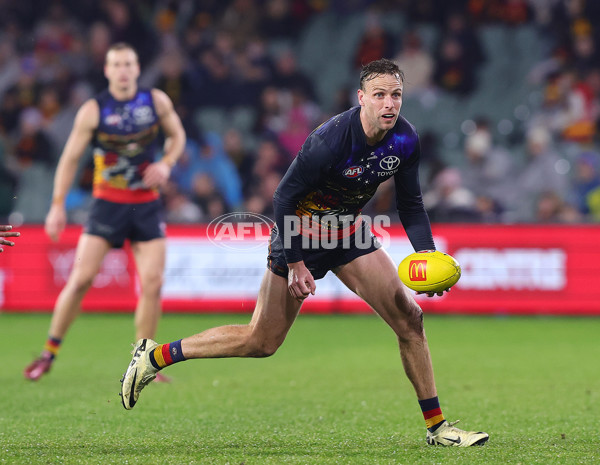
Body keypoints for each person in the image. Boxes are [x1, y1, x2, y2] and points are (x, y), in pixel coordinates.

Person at [119, 59, 489, 447]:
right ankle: (155, 356)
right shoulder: (329, 141)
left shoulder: (405, 140)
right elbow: (284, 197)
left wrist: (428, 256)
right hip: (298, 234)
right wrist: (295, 262)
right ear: (361, 98)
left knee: (410, 320)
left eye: (395, 95)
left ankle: (438, 428)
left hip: (348, 234)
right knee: (261, 342)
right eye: (379, 95)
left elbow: (411, 204)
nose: (389, 104)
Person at [24, 43, 186, 381]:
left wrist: (167, 163)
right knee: (81, 278)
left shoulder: (155, 101)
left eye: (128, 63)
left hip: (146, 205)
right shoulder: (94, 110)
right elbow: (69, 159)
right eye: (117, 64)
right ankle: (48, 353)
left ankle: (145, 362)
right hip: (107, 204)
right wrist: (57, 205)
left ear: (137, 68)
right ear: (107, 70)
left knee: (153, 282)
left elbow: (177, 136)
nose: (123, 70)